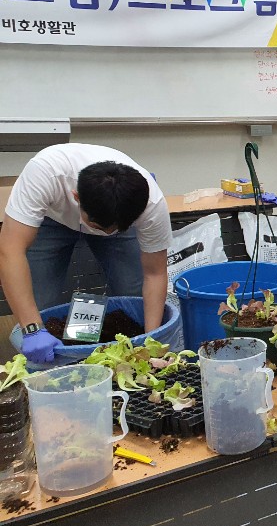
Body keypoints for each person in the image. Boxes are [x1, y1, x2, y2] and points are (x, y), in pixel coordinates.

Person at [0, 144, 173, 363]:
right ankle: (49, 355)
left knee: (134, 292)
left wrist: (151, 340)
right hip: (51, 216)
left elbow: (155, 273)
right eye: (99, 227)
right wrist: (32, 328)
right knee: (40, 300)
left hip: (118, 213)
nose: (106, 233)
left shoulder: (151, 204)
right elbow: (10, 250)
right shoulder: (45, 173)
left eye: (113, 230)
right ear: (76, 197)